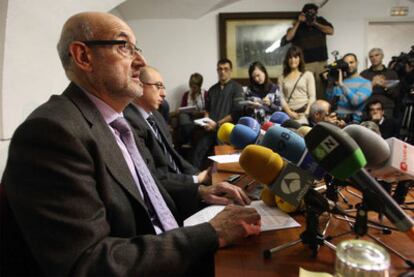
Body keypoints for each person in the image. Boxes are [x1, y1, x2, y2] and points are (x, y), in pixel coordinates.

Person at [0, 12, 261, 276]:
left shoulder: (116, 121)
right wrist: (212, 232)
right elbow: (88, 263)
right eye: (124, 46)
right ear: (83, 56)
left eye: (138, 48)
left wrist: (200, 194)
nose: (141, 61)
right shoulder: (51, 133)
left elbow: (146, 194)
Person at [124, 66, 212, 192]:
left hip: (181, 182)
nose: (164, 93)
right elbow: (154, 176)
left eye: (163, 87)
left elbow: (174, 157)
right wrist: (196, 181)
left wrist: (199, 175)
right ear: (139, 85)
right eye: (158, 86)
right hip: (167, 193)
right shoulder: (129, 122)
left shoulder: (156, 116)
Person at [190, 58, 244, 169]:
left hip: (227, 130)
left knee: (222, 154)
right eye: (220, 69)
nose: (222, 71)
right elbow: (207, 110)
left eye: (225, 69)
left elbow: (237, 112)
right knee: (198, 151)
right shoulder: (212, 90)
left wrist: (218, 124)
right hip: (211, 129)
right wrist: (206, 120)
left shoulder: (237, 88)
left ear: (230, 70)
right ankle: (194, 177)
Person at [285, 3, 334, 100]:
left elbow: (331, 31)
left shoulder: (320, 20)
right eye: (308, 13)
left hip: (321, 61)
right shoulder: (298, 24)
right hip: (306, 62)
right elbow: (288, 37)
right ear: (303, 13)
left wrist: (315, 23)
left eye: (313, 13)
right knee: (306, 87)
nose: (311, 15)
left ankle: (321, 108)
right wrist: (298, 22)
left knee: (322, 86)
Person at [326, 53, 372, 124]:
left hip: (354, 122)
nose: (349, 65)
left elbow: (355, 101)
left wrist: (341, 85)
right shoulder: (339, 81)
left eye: (351, 62)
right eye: (346, 63)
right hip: (336, 120)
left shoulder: (366, 83)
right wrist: (330, 84)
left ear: (357, 63)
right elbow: (331, 102)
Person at [279, 46, 316, 125]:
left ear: (300, 58)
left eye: (295, 57)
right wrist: (289, 112)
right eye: (290, 57)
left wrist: (307, 113)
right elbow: (281, 97)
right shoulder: (282, 77)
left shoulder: (308, 74)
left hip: (303, 114)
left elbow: (312, 96)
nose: (293, 60)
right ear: (287, 60)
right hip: (288, 114)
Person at [360, 48, 399, 118]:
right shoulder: (364, 74)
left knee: (387, 127)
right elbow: (359, 94)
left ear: (382, 56)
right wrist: (372, 84)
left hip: (386, 107)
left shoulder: (391, 73)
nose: (374, 58)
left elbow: (396, 94)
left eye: (376, 55)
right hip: (368, 108)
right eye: (371, 56)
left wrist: (384, 85)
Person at [177, 72, 207, 147]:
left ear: (199, 86)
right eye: (191, 87)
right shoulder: (186, 94)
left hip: (201, 116)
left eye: (195, 87)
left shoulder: (205, 94)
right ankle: (189, 139)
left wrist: (200, 113)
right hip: (189, 117)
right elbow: (183, 107)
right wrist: (180, 110)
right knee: (182, 116)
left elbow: (209, 109)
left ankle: (189, 141)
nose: (193, 89)